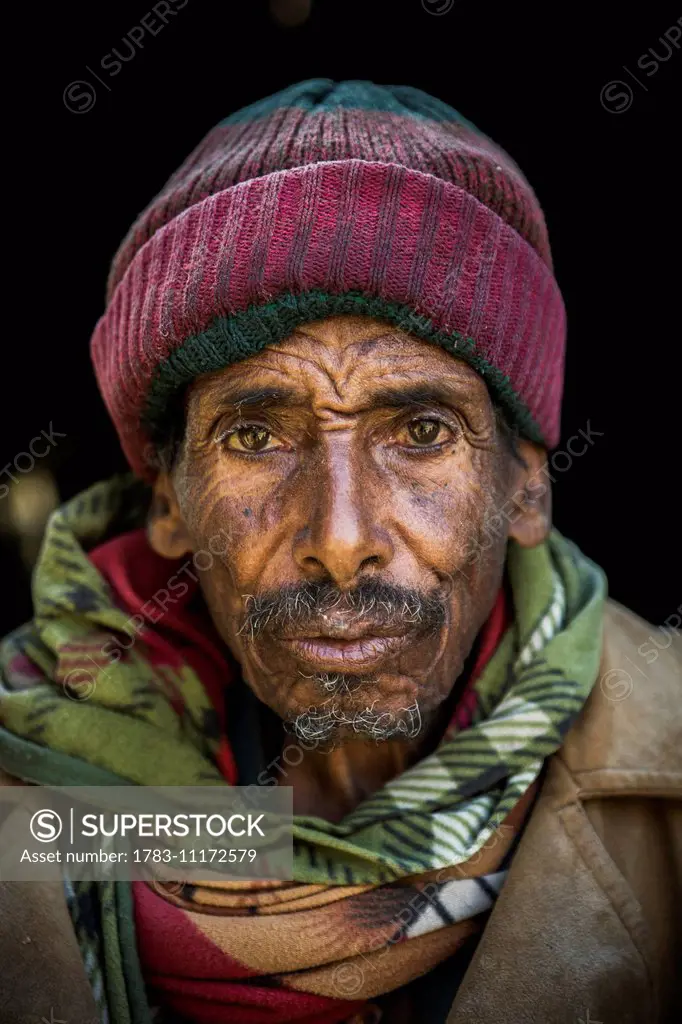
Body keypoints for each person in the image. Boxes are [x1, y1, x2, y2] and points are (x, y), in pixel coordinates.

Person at [0, 79, 679, 1024]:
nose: (342, 539)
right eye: (253, 437)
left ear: (525, 486)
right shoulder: (26, 781)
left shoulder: (670, 769)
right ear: (169, 502)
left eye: (425, 431)